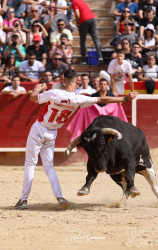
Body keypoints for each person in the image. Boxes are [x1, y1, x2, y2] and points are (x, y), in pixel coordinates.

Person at [14, 68, 138, 210]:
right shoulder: (79, 99)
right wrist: (125, 99)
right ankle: (60, 198)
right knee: (49, 167)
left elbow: (33, 98)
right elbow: (102, 99)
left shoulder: (55, 93)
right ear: (77, 81)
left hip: (39, 129)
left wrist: (37, 88)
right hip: (52, 133)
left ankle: (23, 200)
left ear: (63, 80)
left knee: (30, 164)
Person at [56, 0, 103, 65]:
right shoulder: (79, 0)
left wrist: (77, 23)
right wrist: (56, 7)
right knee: (96, 39)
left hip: (84, 21)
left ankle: (83, 60)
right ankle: (100, 57)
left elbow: (77, 14)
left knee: (83, 41)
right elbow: (68, 7)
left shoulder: (74, 2)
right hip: (93, 18)